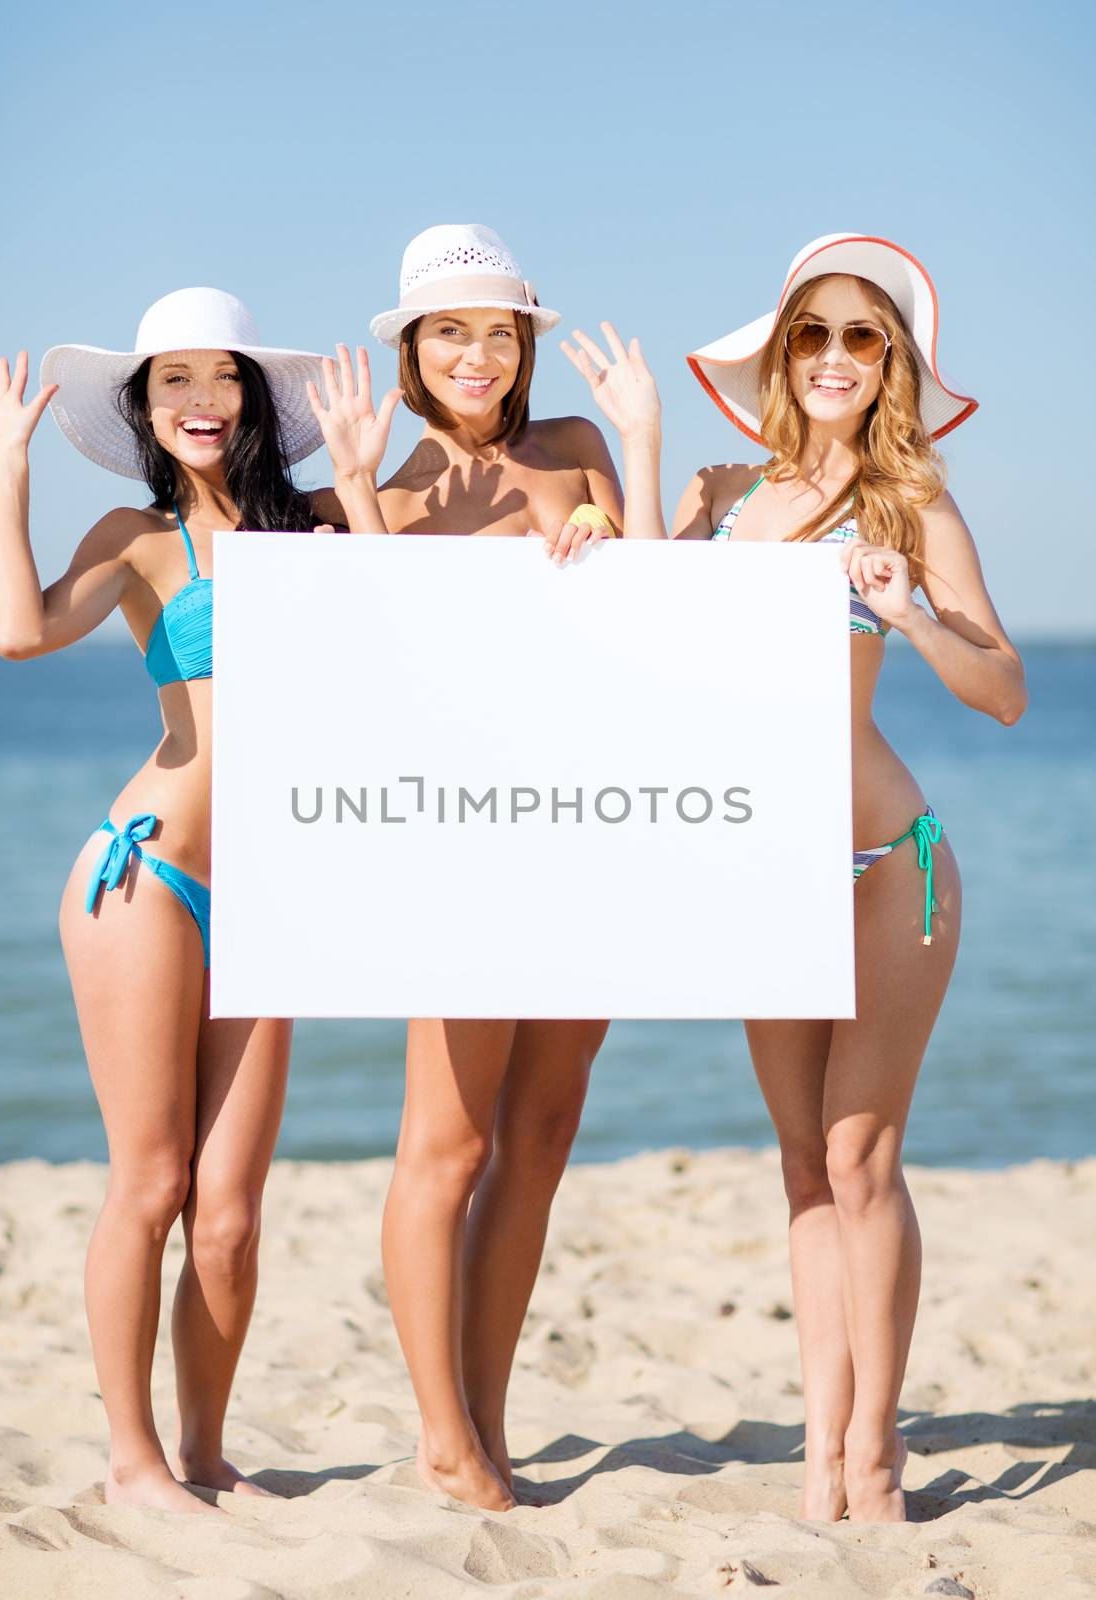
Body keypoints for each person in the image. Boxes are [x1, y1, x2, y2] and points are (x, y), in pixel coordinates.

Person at [565, 234, 1027, 1522]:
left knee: (861, 1154)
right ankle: (822, 1455)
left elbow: (1004, 694)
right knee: (800, 1165)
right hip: (757, 865)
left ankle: (874, 1457)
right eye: (811, 334)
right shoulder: (728, 497)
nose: (833, 357)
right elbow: (636, 633)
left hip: (887, 864)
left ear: (893, 366)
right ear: (781, 355)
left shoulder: (913, 507)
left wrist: (915, 614)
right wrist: (632, 463)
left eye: (861, 336)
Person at [0, 287, 339, 1514]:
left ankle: (207, 1454)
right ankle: (133, 1462)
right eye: (172, 381)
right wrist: (5, 469)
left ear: (256, 401)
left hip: (273, 885)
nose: (200, 401)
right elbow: (17, 634)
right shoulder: (134, 536)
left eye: (222, 378)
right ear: (144, 409)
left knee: (227, 1213)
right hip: (147, 874)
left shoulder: (326, 527)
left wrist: (598, 495)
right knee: (151, 1180)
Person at [308, 224, 619, 1510]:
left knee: (541, 1134)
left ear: (525, 344)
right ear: (412, 353)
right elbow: (370, 666)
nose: (476, 353)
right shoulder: (367, 492)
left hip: (589, 826)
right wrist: (358, 486)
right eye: (448, 331)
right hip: (448, 836)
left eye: (498, 330)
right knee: (446, 1141)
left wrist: (617, 496)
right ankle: (442, 1437)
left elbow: (649, 615)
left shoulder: (575, 455)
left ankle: (485, 1418)